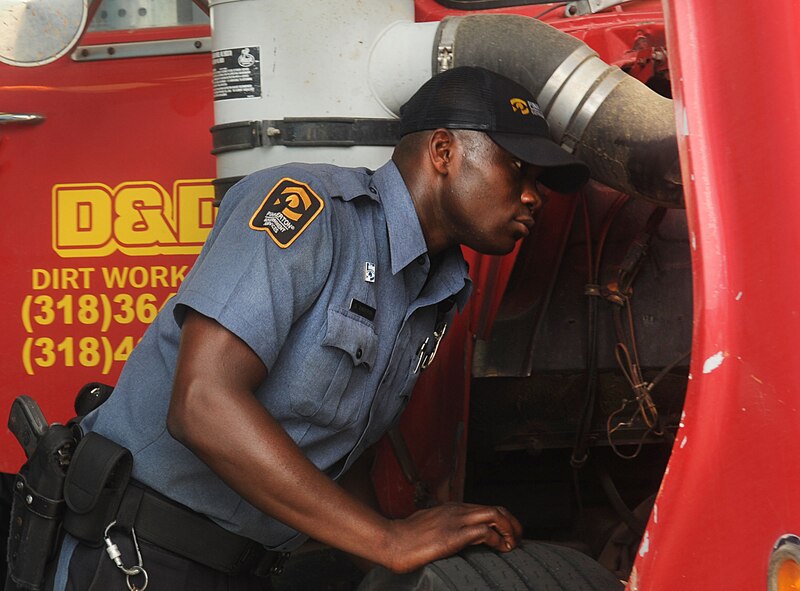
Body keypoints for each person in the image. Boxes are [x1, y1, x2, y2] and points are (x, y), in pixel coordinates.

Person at [46, 66, 590, 590]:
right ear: (444, 152)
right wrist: (387, 540)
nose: (532, 197)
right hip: (141, 557)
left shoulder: (437, 287)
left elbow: (331, 451)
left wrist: (401, 564)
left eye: (540, 183)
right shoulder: (310, 212)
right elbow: (202, 404)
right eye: (517, 169)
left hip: (249, 568)